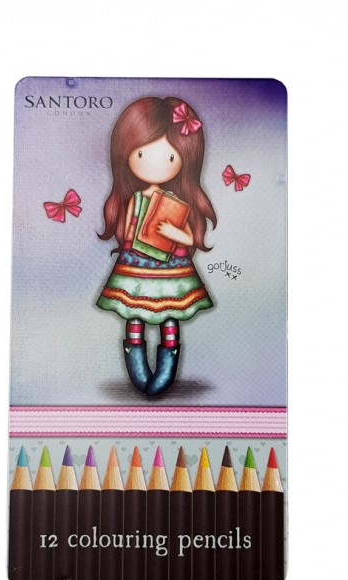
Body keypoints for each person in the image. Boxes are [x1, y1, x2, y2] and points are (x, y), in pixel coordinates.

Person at [97, 96, 217, 395]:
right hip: (136, 268)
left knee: (169, 315)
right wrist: (135, 234)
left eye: (170, 157)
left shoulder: (175, 204)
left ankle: (165, 371)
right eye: (141, 153)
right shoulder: (134, 200)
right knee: (134, 314)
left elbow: (188, 238)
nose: (154, 164)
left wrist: (171, 232)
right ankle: (138, 369)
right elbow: (127, 231)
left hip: (171, 271)